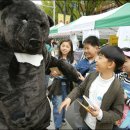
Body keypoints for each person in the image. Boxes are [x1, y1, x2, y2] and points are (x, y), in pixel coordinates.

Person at [59, 45, 125, 130]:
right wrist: (69, 98)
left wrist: (100, 114)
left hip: (101, 127)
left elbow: (117, 114)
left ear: (111, 64)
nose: (96, 59)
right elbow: (80, 88)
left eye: (100, 58)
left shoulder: (118, 88)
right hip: (85, 121)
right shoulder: (93, 75)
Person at [65, 36, 100, 128]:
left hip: (94, 99)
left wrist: (85, 80)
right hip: (80, 96)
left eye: (87, 48)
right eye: (84, 48)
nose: (85, 51)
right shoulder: (82, 62)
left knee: (92, 118)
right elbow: (73, 72)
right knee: (78, 115)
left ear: (96, 48)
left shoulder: (101, 62)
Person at [49, 39, 76, 130]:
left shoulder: (72, 60)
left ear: (71, 49)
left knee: (64, 105)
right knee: (57, 106)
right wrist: (52, 74)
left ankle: (62, 119)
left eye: (67, 46)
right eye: (63, 46)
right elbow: (52, 73)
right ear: (60, 47)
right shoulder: (55, 59)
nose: (65, 48)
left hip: (68, 86)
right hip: (57, 86)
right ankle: (57, 126)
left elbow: (73, 74)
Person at [115, 47, 130, 129]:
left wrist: (126, 98)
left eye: (125, 61)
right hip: (118, 115)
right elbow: (109, 77)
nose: (122, 64)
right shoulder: (122, 75)